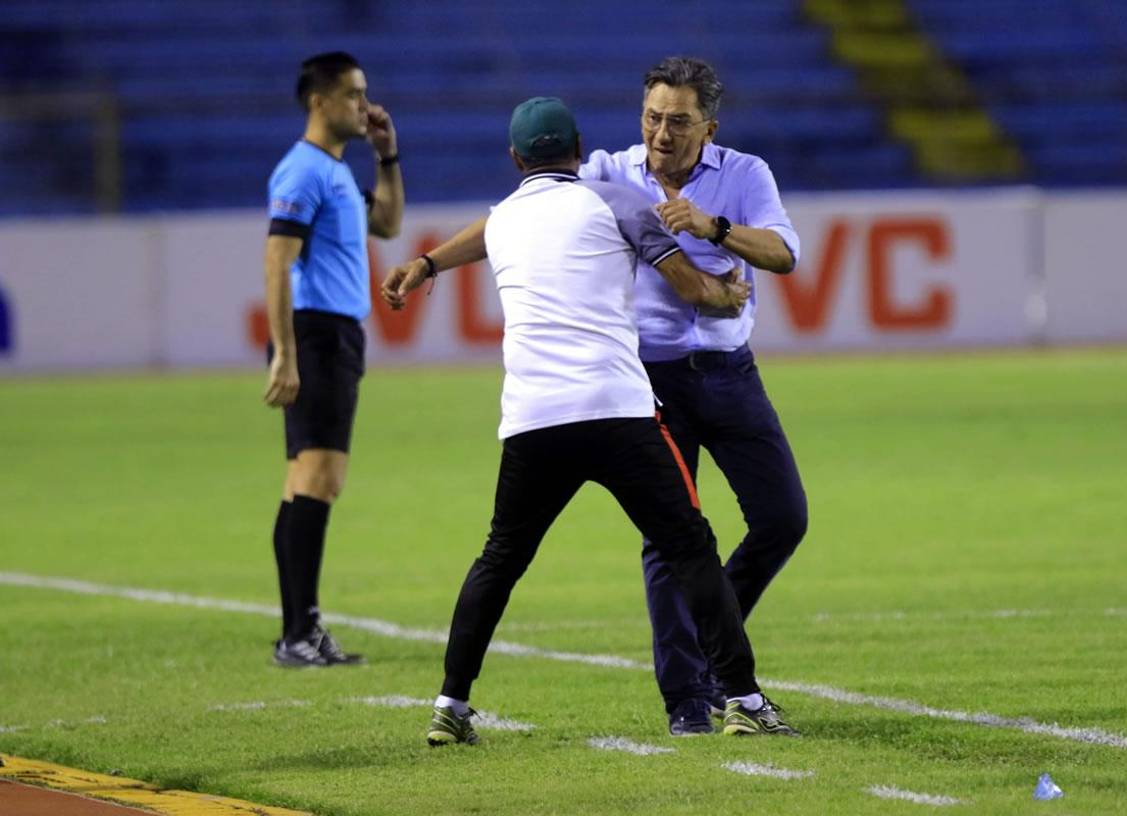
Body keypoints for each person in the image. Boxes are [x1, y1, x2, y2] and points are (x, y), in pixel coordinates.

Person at [382, 57, 807, 735]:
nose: (661, 132)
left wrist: (714, 228)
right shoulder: (612, 182)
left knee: (780, 520)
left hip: (710, 376)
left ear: (708, 126)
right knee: (678, 546)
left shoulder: (743, 174)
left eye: (678, 121)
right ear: (582, 153)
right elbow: (697, 288)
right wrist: (431, 260)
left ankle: (450, 705)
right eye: (652, 118)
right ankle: (700, 701)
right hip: (639, 385)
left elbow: (784, 256)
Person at [263, 51, 403, 666]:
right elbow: (277, 260)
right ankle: (299, 633)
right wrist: (286, 354)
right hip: (316, 334)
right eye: (353, 95)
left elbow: (390, 225)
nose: (364, 106)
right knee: (319, 479)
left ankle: (299, 629)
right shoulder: (303, 172)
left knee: (306, 483)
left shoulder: (336, 169)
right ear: (319, 102)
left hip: (335, 334)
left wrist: (387, 154)